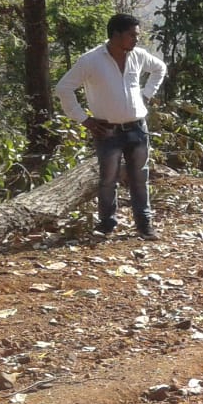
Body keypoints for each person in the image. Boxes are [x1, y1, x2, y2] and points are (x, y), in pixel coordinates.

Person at [55, 13, 168, 240]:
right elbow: (63, 88)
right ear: (116, 34)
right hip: (106, 130)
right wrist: (83, 119)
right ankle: (106, 224)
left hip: (137, 127)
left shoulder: (137, 55)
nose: (136, 39)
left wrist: (146, 94)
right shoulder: (91, 60)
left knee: (140, 177)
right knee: (108, 180)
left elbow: (160, 68)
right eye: (132, 35)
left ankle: (144, 225)